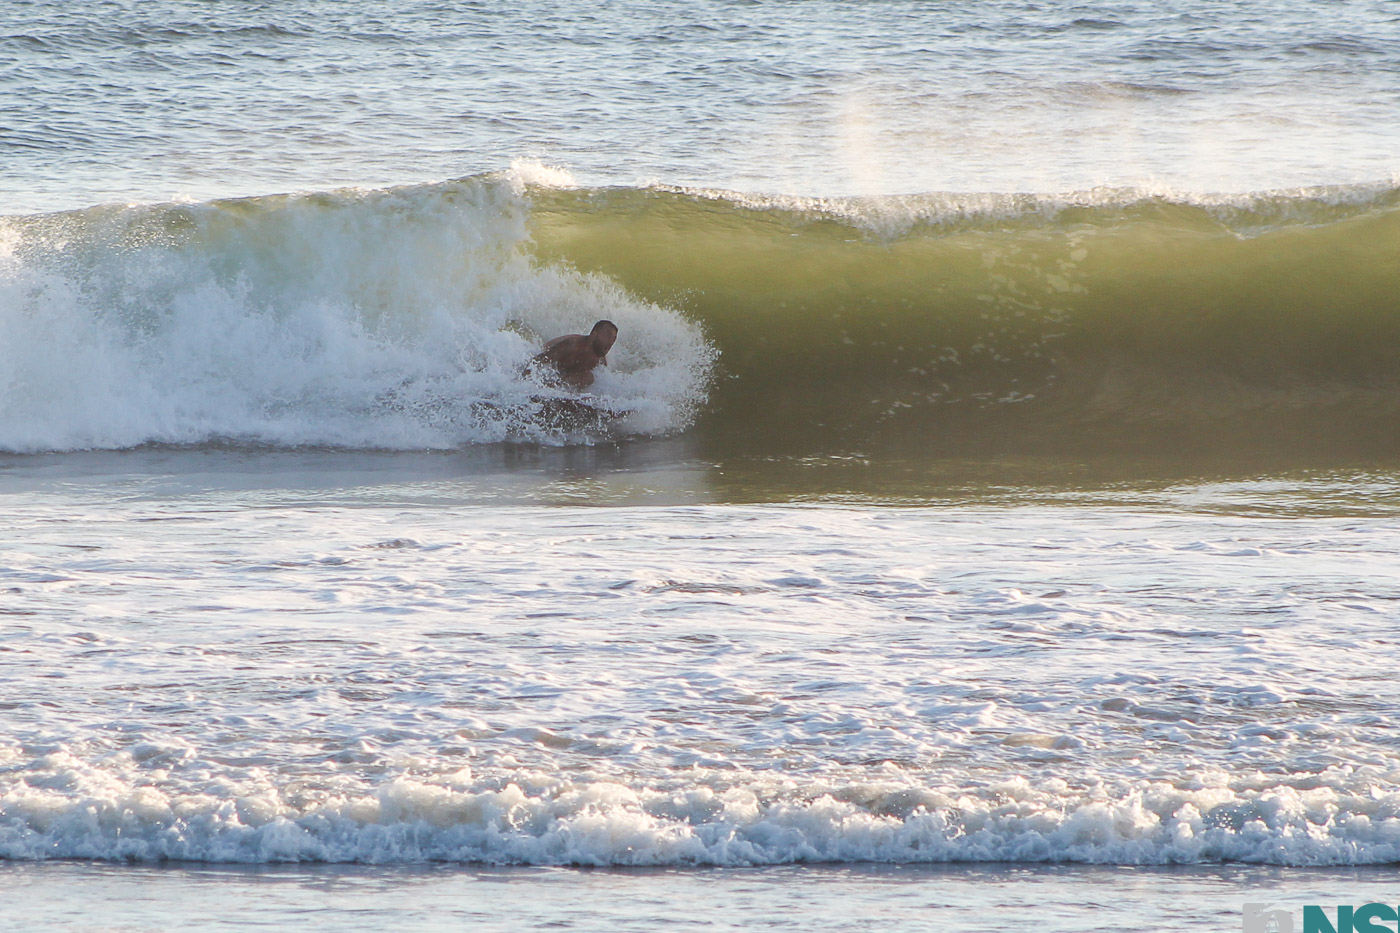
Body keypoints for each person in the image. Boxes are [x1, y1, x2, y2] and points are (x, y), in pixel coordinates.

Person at [531, 320, 618, 390]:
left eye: (614, 338)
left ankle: (555, 388)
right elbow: (538, 361)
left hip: (564, 374)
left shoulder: (600, 362)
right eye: (608, 335)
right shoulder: (572, 345)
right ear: (594, 334)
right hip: (550, 356)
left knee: (588, 378)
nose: (611, 342)